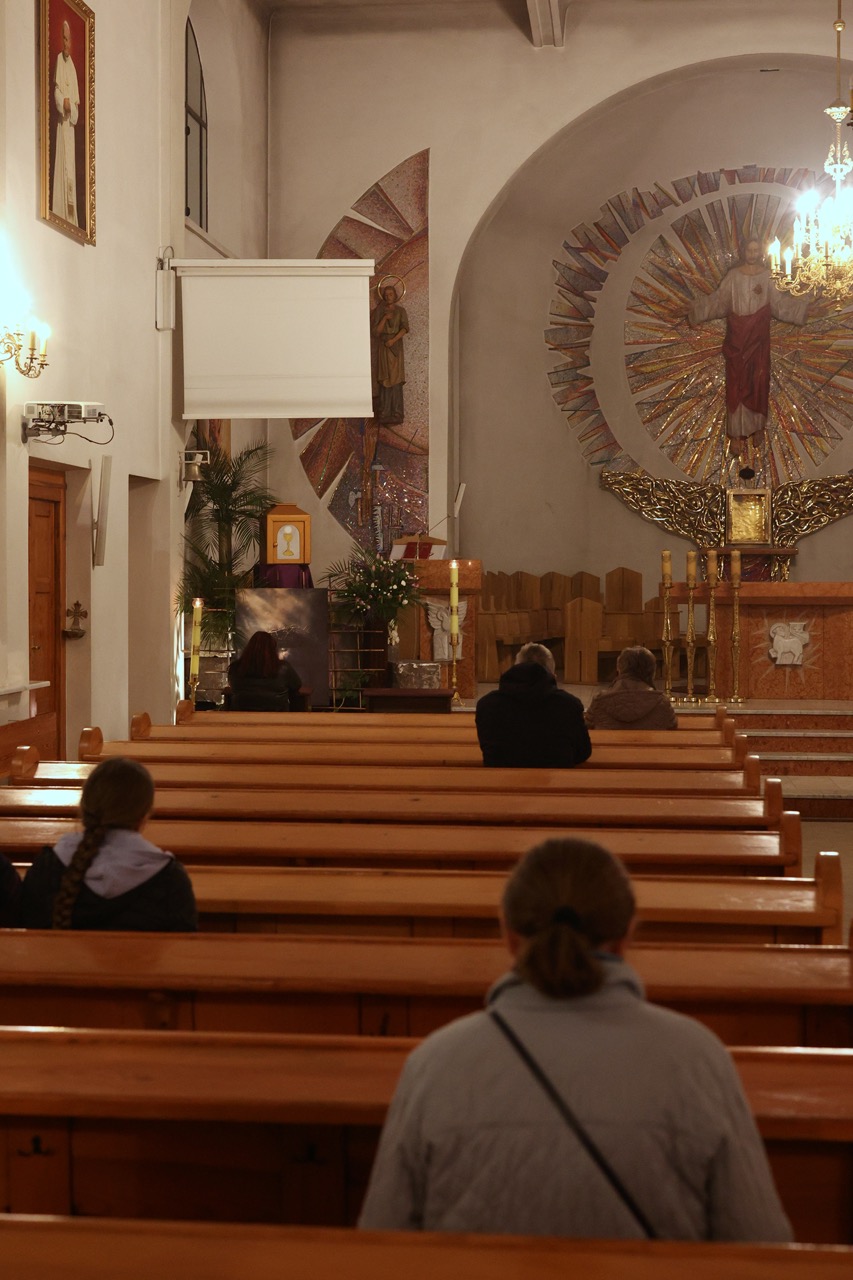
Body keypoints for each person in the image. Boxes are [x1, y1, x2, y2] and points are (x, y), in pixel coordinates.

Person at [359, 837, 793, 1241]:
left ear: (508, 935)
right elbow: (759, 1241)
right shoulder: (697, 1058)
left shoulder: (435, 1063)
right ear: (626, 935)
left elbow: (382, 1239)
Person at [19, 757, 197, 931]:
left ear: (84, 807)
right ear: (145, 815)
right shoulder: (170, 881)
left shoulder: (47, 868)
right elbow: (184, 946)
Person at [687, 238, 808, 455]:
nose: (752, 254)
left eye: (756, 250)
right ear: (743, 251)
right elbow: (719, 301)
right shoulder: (733, 276)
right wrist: (694, 310)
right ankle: (735, 434)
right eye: (749, 250)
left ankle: (758, 426)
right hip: (738, 339)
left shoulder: (767, 276)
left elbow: (779, 304)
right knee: (736, 384)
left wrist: (805, 310)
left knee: (759, 381)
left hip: (759, 340)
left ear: (760, 252)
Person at [475, 642, 591, 767]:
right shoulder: (569, 705)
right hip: (556, 777)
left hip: (499, 778)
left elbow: (487, 750)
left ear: (516, 667)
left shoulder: (487, 705)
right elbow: (583, 752)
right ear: (553, 676)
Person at [584, 645, 677, 730]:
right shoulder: (661, 703)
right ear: (652, 672)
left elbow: (586, 729)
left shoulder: (599, 701)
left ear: (619, 669)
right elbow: (672, 728)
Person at [227, 630, 302, 711]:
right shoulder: (283, 668)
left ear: (249, 647)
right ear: (272, 649)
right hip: (277, 715)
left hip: (241, 715)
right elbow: (296, 685)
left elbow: (233, 687)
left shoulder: (235, 668)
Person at [51, 19, 80, 225]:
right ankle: (60, 211)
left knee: (71, 167)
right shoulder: (58, 61)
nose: (66, 43)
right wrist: (64, 103)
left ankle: (71, 217)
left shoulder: (73, 68)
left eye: (68, 39)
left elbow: (76, 104)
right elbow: (56, 91)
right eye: (63, 38)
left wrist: (72, 106)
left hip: (70, 127)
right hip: (63, 126)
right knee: (62, 164)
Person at [371, 285, 409, 425]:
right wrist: (384, 318)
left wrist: (393, 340)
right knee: (384, 379)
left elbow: (405, 328)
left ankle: (397, 412)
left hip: (395, 347)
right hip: (383, 347)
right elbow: (375, 332)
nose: (388, 297)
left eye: (391, 294)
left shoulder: (401, 311)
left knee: (396, 380)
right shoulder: (379, 311)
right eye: (386, 295)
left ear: (395, 295)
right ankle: (384, 412)